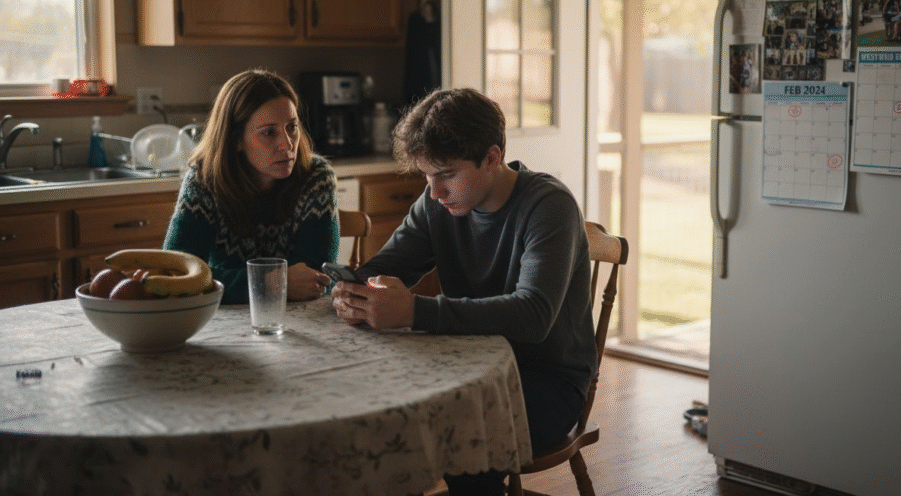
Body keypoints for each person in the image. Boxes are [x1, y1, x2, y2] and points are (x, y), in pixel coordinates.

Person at [331, 87, 596, 496]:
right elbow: (386, 267)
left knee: (454, 433)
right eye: (426, 176)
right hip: (466, 365)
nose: (434, 191)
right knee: (381, 417)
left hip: (547, 382)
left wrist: (414, 312)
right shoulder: (438, 202)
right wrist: (352, 288)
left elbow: (533, 316)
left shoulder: (549, 206)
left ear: (492, 158)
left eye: (446, 174)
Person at [165, 69, 338, 305]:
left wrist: (224, 282)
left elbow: (315, 280)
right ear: (236, 140)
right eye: (269, 132)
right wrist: (276, 283)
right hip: (220, 322)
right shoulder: (204, 180)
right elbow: (176, 275)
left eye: (292, 127)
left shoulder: (316, 177)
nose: (287, 144)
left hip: (298, 319)